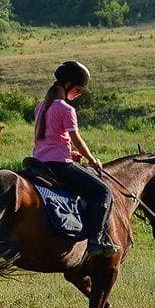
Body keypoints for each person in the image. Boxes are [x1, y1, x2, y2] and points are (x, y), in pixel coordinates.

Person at [31, 61, 120, 257]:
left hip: (40, 163)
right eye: (78, 90)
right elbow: (76, 139)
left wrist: (70, 153)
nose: (78, 94)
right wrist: (92, 159)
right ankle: (95, 241)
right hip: (60, 165)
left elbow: (47, 139)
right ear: (67, 85)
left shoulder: (40, 106)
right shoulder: (66, 109)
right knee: (103, 192)